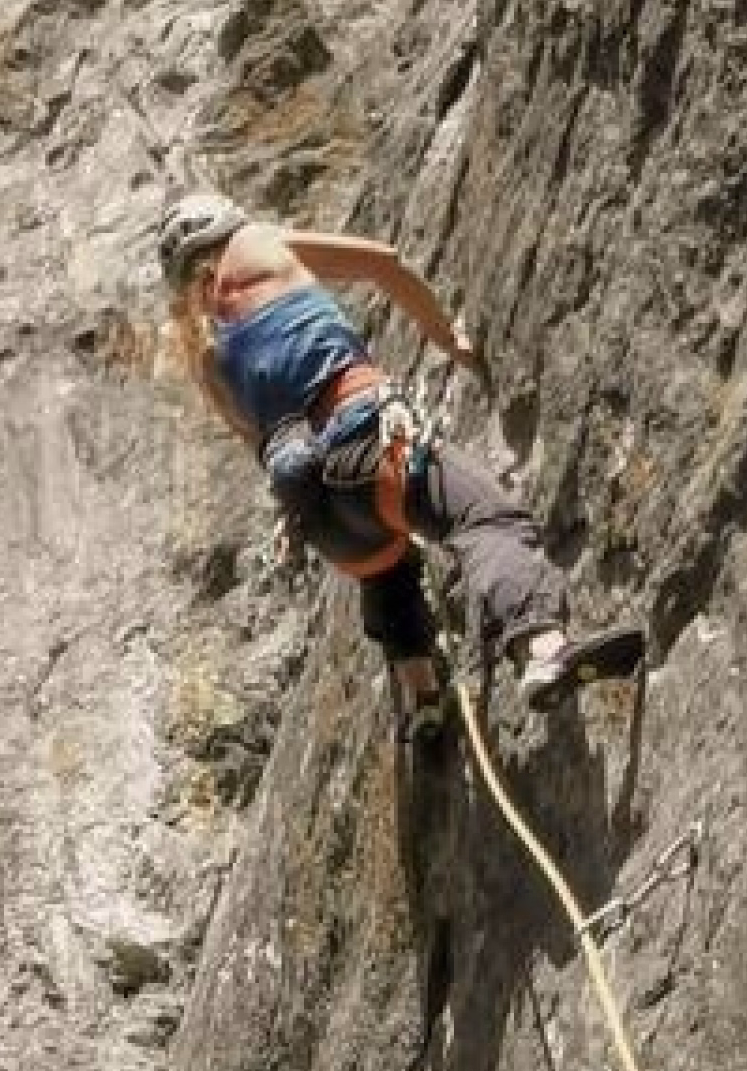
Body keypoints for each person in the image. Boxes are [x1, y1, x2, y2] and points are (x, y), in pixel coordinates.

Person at [159, 189, 645, 741]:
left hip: (318, 512)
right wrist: (449, 338)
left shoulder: (200, 352)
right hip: (365, 439)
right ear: (225, 223)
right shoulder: (254, 244)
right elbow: (381, 262)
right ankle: (543, 648)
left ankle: (423, 701)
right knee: (485, 519)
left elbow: (258, 442)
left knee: (388, 570)